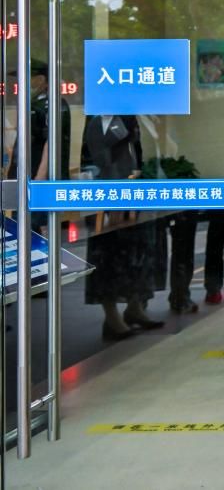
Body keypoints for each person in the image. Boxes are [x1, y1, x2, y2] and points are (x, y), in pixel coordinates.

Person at [81, 114, 164, 340]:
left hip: (136, 196)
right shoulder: (101, 120)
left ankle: (135, 306)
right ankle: (111, 317)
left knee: (139, 253)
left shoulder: (136, 118)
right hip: (112, 198)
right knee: (109, 257)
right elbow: (100, 159)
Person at [6, 60, 71, 236]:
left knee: (37, 227)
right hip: (23, 176)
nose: (21, 82)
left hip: (38, 179)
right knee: (21, 227)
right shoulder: (31, 104)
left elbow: (52, 141)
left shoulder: (54, 105)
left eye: (27, 77)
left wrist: (40, 178)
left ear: (41, 79)